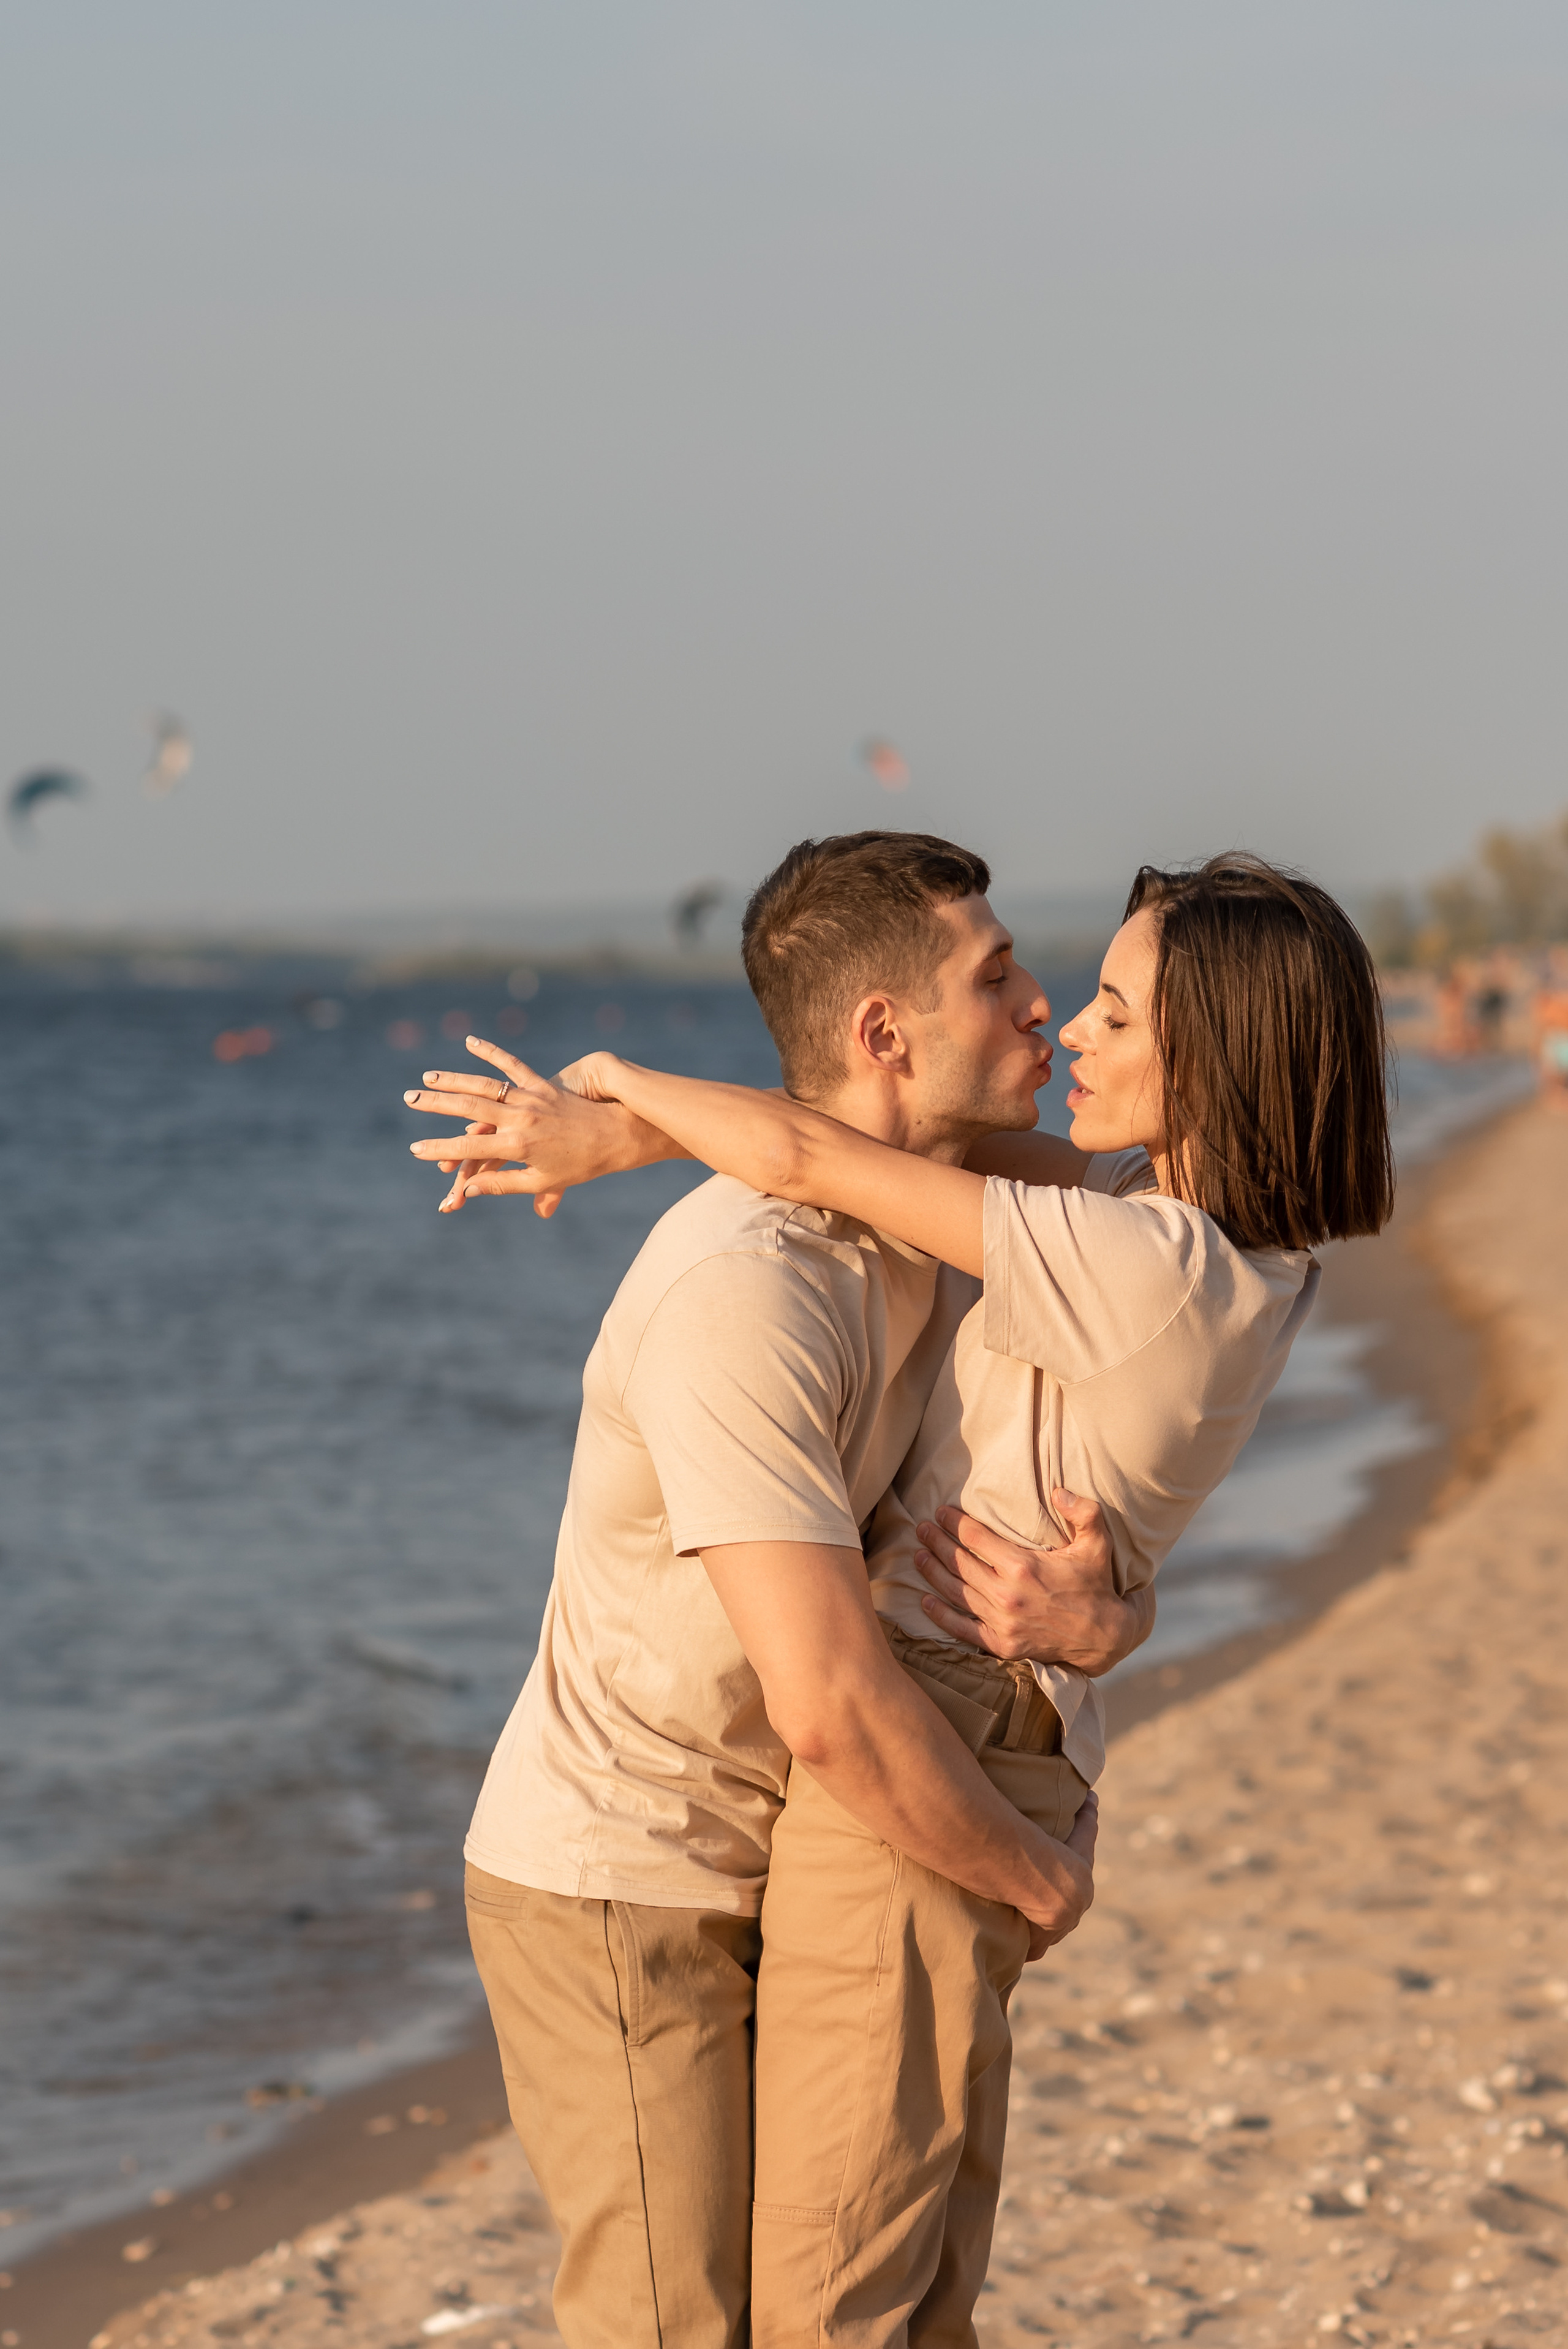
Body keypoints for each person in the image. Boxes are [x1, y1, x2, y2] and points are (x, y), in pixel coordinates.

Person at [420, 851, 1395, 2345]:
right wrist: (1109, 1630)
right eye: (1009, 979)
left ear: (1211, 1059)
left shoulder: (1132, 1255)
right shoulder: (1168, 1233)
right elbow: (821, 1156)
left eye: (1111, 1011)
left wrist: (615, 1098)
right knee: (857, 2292)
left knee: (843, 2298)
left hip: (919, 1735)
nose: (1058, 1016)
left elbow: (812, 1155)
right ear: (884, 1030)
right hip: (742, 1806)